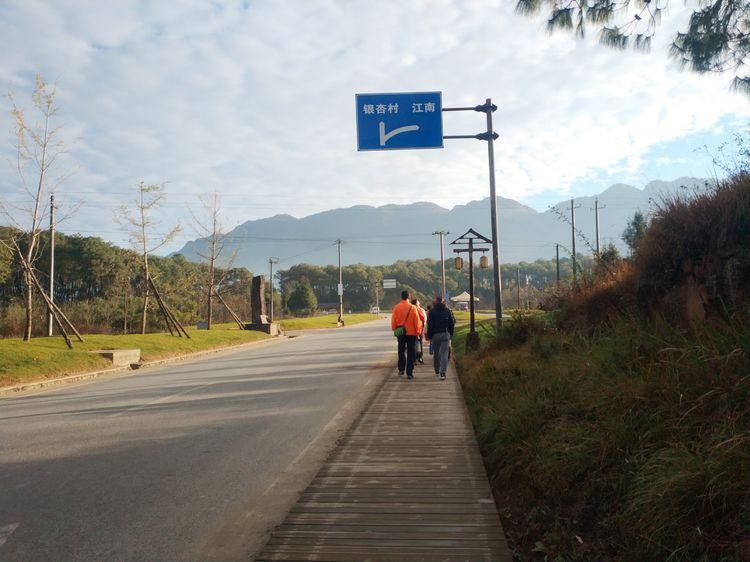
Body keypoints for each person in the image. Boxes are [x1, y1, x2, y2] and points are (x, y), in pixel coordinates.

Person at [391, 290, 420, 379]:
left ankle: (401, 369)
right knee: (411, 352)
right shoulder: (413, 307)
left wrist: (395, 329)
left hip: (400, 332)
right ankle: (409, 373)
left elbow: (393, 320)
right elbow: (417, 321)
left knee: (401, 351)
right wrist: (418, 332)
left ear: (401, 297)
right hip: (411, 333)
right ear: (409, 297)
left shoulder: (396, 307)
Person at [426, 295, 455, 380]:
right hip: (445, 334)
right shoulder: (447, 311)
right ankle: (443, 372)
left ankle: (437, 370)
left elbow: (429, 325)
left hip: (435, 334)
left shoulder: (431, 312)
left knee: (436, 353)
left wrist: (429, 335)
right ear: (443, 302)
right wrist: (451, 334)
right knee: (444, 353)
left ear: (435, 302)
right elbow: (451, 323)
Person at [411, 298, 427, 364]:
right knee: (420, 344)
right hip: (419, 330)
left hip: (411, 330)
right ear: (417, 304)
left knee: (413, 344)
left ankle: (414, 359)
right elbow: (425, 320)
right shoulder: (421, 310)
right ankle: (420, 357)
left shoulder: (410, 310)